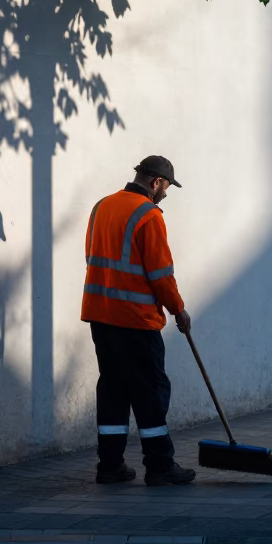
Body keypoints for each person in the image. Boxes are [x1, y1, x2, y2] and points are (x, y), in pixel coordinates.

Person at [81, 156, 196, 486]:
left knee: (113, 389)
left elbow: (92, 257)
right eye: (167, 188)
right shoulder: (148, 215)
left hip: (100, 315)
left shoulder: (101, 207)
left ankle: (110, 465)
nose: (165, 195)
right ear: (156, 182)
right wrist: (178, 310)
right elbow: (160, 275)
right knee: (150, 392)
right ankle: (160, 466)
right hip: (135, 320)